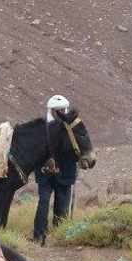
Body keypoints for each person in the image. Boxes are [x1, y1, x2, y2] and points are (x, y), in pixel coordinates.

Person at [31, 94, 78, 246]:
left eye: (62, 110)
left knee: (62, 205)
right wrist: (46, 164)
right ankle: (39, 236)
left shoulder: (72, 129)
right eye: (56, 110)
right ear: (50, 110)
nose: (59, 113)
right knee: (43, 202)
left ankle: (60, 237)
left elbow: (77, 150)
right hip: (45, 174)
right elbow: (36, 151)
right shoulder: (42, 128)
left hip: (65, 174)